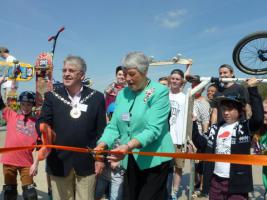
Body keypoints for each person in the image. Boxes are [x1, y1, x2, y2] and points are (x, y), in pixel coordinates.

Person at [95, 51, 175, 200]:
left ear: (144, 71)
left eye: (132, 74)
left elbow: (153, 129)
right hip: (130, 157)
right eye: (125, 74)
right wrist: (103, 143)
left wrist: (128, 146)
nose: (127, 79)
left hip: (155, 158)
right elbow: (114, 126)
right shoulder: (122, 94)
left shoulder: (159, 92)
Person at [36, 55, 106, 200]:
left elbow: (101, 130)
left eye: (71, 70)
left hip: (87, 161)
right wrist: (43, 129)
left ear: (81, 75)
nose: (66, 74)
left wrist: (99, 158)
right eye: (64, 70)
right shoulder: (52, 96)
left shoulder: (97, 97)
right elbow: (42, 121)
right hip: (59, 161)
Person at [192, 77, 263, 200]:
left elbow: (258, 118)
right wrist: (193, 124)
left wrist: (252, 89)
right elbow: (201, 144)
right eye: (224, 109)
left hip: (238, 183)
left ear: (239, 110)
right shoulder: (215, 128)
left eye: (230, 109)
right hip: (215, 182)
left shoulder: (245, 127)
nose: (225, 112)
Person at [0, 76, 39, 199]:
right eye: (23, 104)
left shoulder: (37, 123)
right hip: (9, 161)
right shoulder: (11, 115)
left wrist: (36, 164)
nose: (25, 107)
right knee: (10, 194)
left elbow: (41, 147)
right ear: (20, 104)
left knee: (30, 195)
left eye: (28, 104)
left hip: (26, 163)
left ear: (32, 105)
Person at [95, 102, 125, 200]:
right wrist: (98, 158)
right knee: (97, 194)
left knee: (115, 197)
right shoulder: (106, 131)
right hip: (104, 172)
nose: (113, 120)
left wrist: (120, 162)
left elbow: (130, 152)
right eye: (111, 116)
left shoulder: (126, 134)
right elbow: (99, 148)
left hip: (118, 172)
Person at [168, 69, 186, 200]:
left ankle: (174, 191)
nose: (174, 81)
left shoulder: (185, 98)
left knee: (178, 167)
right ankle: (165, 189)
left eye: (177, 79)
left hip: (179, 138)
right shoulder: (164, 95)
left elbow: (190, 119)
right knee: (164, 167)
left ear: (181, 81)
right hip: (165, 137)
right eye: (173, 78)